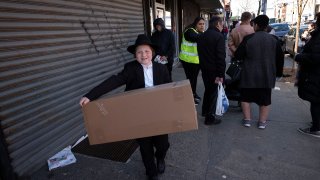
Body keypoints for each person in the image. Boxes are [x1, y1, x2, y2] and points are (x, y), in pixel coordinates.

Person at [79, 34, 171, 180]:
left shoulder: (162, 69)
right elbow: (114, 81)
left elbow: (170, 89)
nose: (144, 55)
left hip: (158, 114)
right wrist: (90, 96)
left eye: (147, 51)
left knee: (163, 144)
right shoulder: (130, 68)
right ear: (135, 55)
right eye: (140, 52)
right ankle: (151, 173)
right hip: (138, 115)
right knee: (145, 146)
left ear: (152, 53)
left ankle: (160, 158)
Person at [234, 15, 283, 129]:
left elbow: (238, 55)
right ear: (267, 26)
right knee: (265, 99)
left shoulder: (248, 38)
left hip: (249, 75)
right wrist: (279, 74)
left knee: (245, 98)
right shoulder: (274, 40)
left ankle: (247, 120)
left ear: (256, 25)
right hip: (267, 75)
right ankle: (262, 122)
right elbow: (280, 59)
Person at [197, 16, 226, 125]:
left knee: (208, 90)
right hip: (215, 71)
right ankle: (210, 118)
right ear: (217, 24)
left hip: (205, 69)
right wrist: (220, 74)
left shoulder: (202, 36)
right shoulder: (219, 36)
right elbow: (220, 57)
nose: (222, 26)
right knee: (213, 93)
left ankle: (205, 111)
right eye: (222, 23)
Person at [295, 13, 320, 138]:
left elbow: (316, 57)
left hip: (315, 74)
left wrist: (300, 56)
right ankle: (317, 124)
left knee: (315, 101)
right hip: (315, 73)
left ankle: (316, 128)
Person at [179, 17, 205, 105]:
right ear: (195, 24)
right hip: (188, 60)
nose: (202, 26)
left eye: (203, 24)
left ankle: (193, 93)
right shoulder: (189, 31)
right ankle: (190, 97)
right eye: (200, 24)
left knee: (193, 79)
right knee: (191, 80)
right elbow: (195, 38)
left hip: (194, 61)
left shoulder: (198, 32)